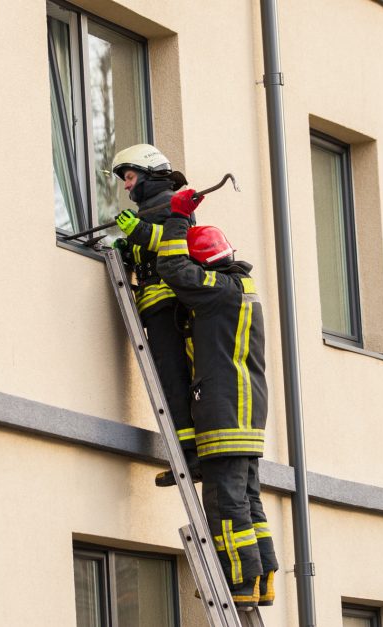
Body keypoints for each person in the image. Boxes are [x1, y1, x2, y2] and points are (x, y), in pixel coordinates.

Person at [154, 187, 279, 610]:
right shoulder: (242, 288)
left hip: (223, 409)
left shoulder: (217, 290)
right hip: (247, 409)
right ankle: (262, 580)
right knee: (247, 499)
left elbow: (172, 268)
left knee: (226, 503)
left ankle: (238, 583)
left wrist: (175, 219)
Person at [108, 144, 199, 487]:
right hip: (155, 306)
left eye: (129, 177)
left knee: (175, 381)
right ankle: (185, 453)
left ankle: (189, 456)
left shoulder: (175, 206)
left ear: (147, 173)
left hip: (170, 306)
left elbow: (179, 242)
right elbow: (146, 248)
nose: (127, 186)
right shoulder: (151, 210)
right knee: (168, 382)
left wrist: (138, 233)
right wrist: (127, 249)